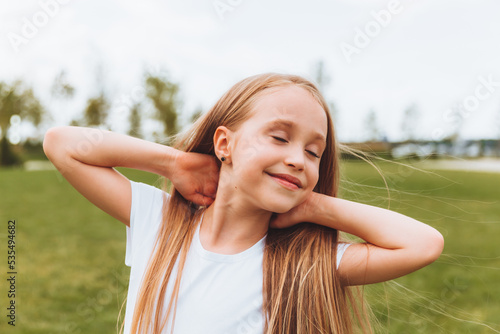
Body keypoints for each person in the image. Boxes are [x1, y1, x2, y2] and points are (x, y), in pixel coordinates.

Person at [43, 73, 444, 334]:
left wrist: (313, 207)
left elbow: (423, 244)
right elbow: (62, 145)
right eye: (280, 137)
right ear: (224, 144)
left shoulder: (302, 262)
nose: (297, 159)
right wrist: (175, 163)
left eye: (313, 152)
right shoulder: (161, 222)